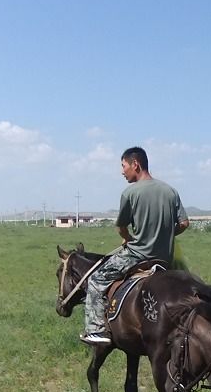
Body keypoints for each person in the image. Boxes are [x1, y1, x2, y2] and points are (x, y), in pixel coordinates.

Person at [80, 146, 190, 345]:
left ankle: (95, 330)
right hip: (164, 258)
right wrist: (164, 234)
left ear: (135, 165)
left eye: (123, 166)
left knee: (96, 280)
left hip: (138, 255)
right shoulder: (170, 191)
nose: (122, 172)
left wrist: (127, 238)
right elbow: (184, 223)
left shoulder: (130, 193)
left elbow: (121, 227)